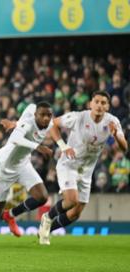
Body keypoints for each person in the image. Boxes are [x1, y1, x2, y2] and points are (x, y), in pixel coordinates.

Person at [39, 91, 127, 245]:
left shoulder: (113, 122)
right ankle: (47, 217)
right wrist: (63, 146)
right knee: (71, 200)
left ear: (107, 106)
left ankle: (47, 229)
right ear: (91, 104)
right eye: (97, 102)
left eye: (103, 103)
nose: (99, 105)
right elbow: (53, 124)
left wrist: (117, 137)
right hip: (69, 164)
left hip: (86, 170)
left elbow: (124, 148)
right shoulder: (79, 117)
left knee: (75, 213)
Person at [0, 102, 54, 245]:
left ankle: (10, 215)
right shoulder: (28, 124)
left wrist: (16, 123)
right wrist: (38, 147)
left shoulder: (41, 116)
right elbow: (15, 139)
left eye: (48, 115)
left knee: (42, 197)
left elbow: (31, 106)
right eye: (42, 115)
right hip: (3, 167)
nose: (46, 118)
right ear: (35, 115)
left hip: (23, 164)